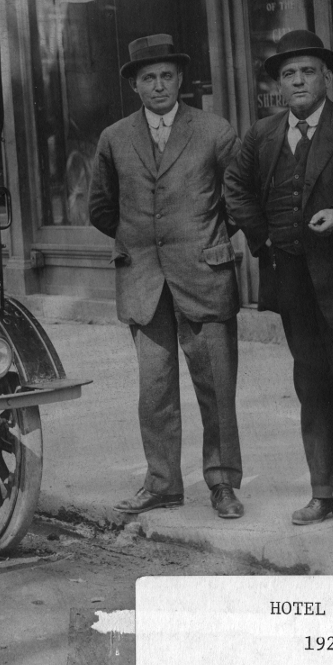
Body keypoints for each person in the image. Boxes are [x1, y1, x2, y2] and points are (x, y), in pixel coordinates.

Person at [225, 30, 333, 538]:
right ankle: (323, 492)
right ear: (279, 85)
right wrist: (265, 236)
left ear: (327, 77)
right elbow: (234, 188)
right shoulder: (262, 135)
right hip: (294, 284)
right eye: (288, 74)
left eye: (307, 71)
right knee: (311, 387)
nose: (298, 81)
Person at [87, 34, 245, 520]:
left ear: (180, 79)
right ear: (135, 85)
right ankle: (162, 483)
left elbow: (237, 201)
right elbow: (100, 208)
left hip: (204, 277)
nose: (159, 86)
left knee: (216, 388)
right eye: (148, 78)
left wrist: (203, 237)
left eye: (167, 76)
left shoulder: (215, 131)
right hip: (144, 284)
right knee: (154, 393)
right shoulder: (114, 138)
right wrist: (140, 241)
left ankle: (222, 484)